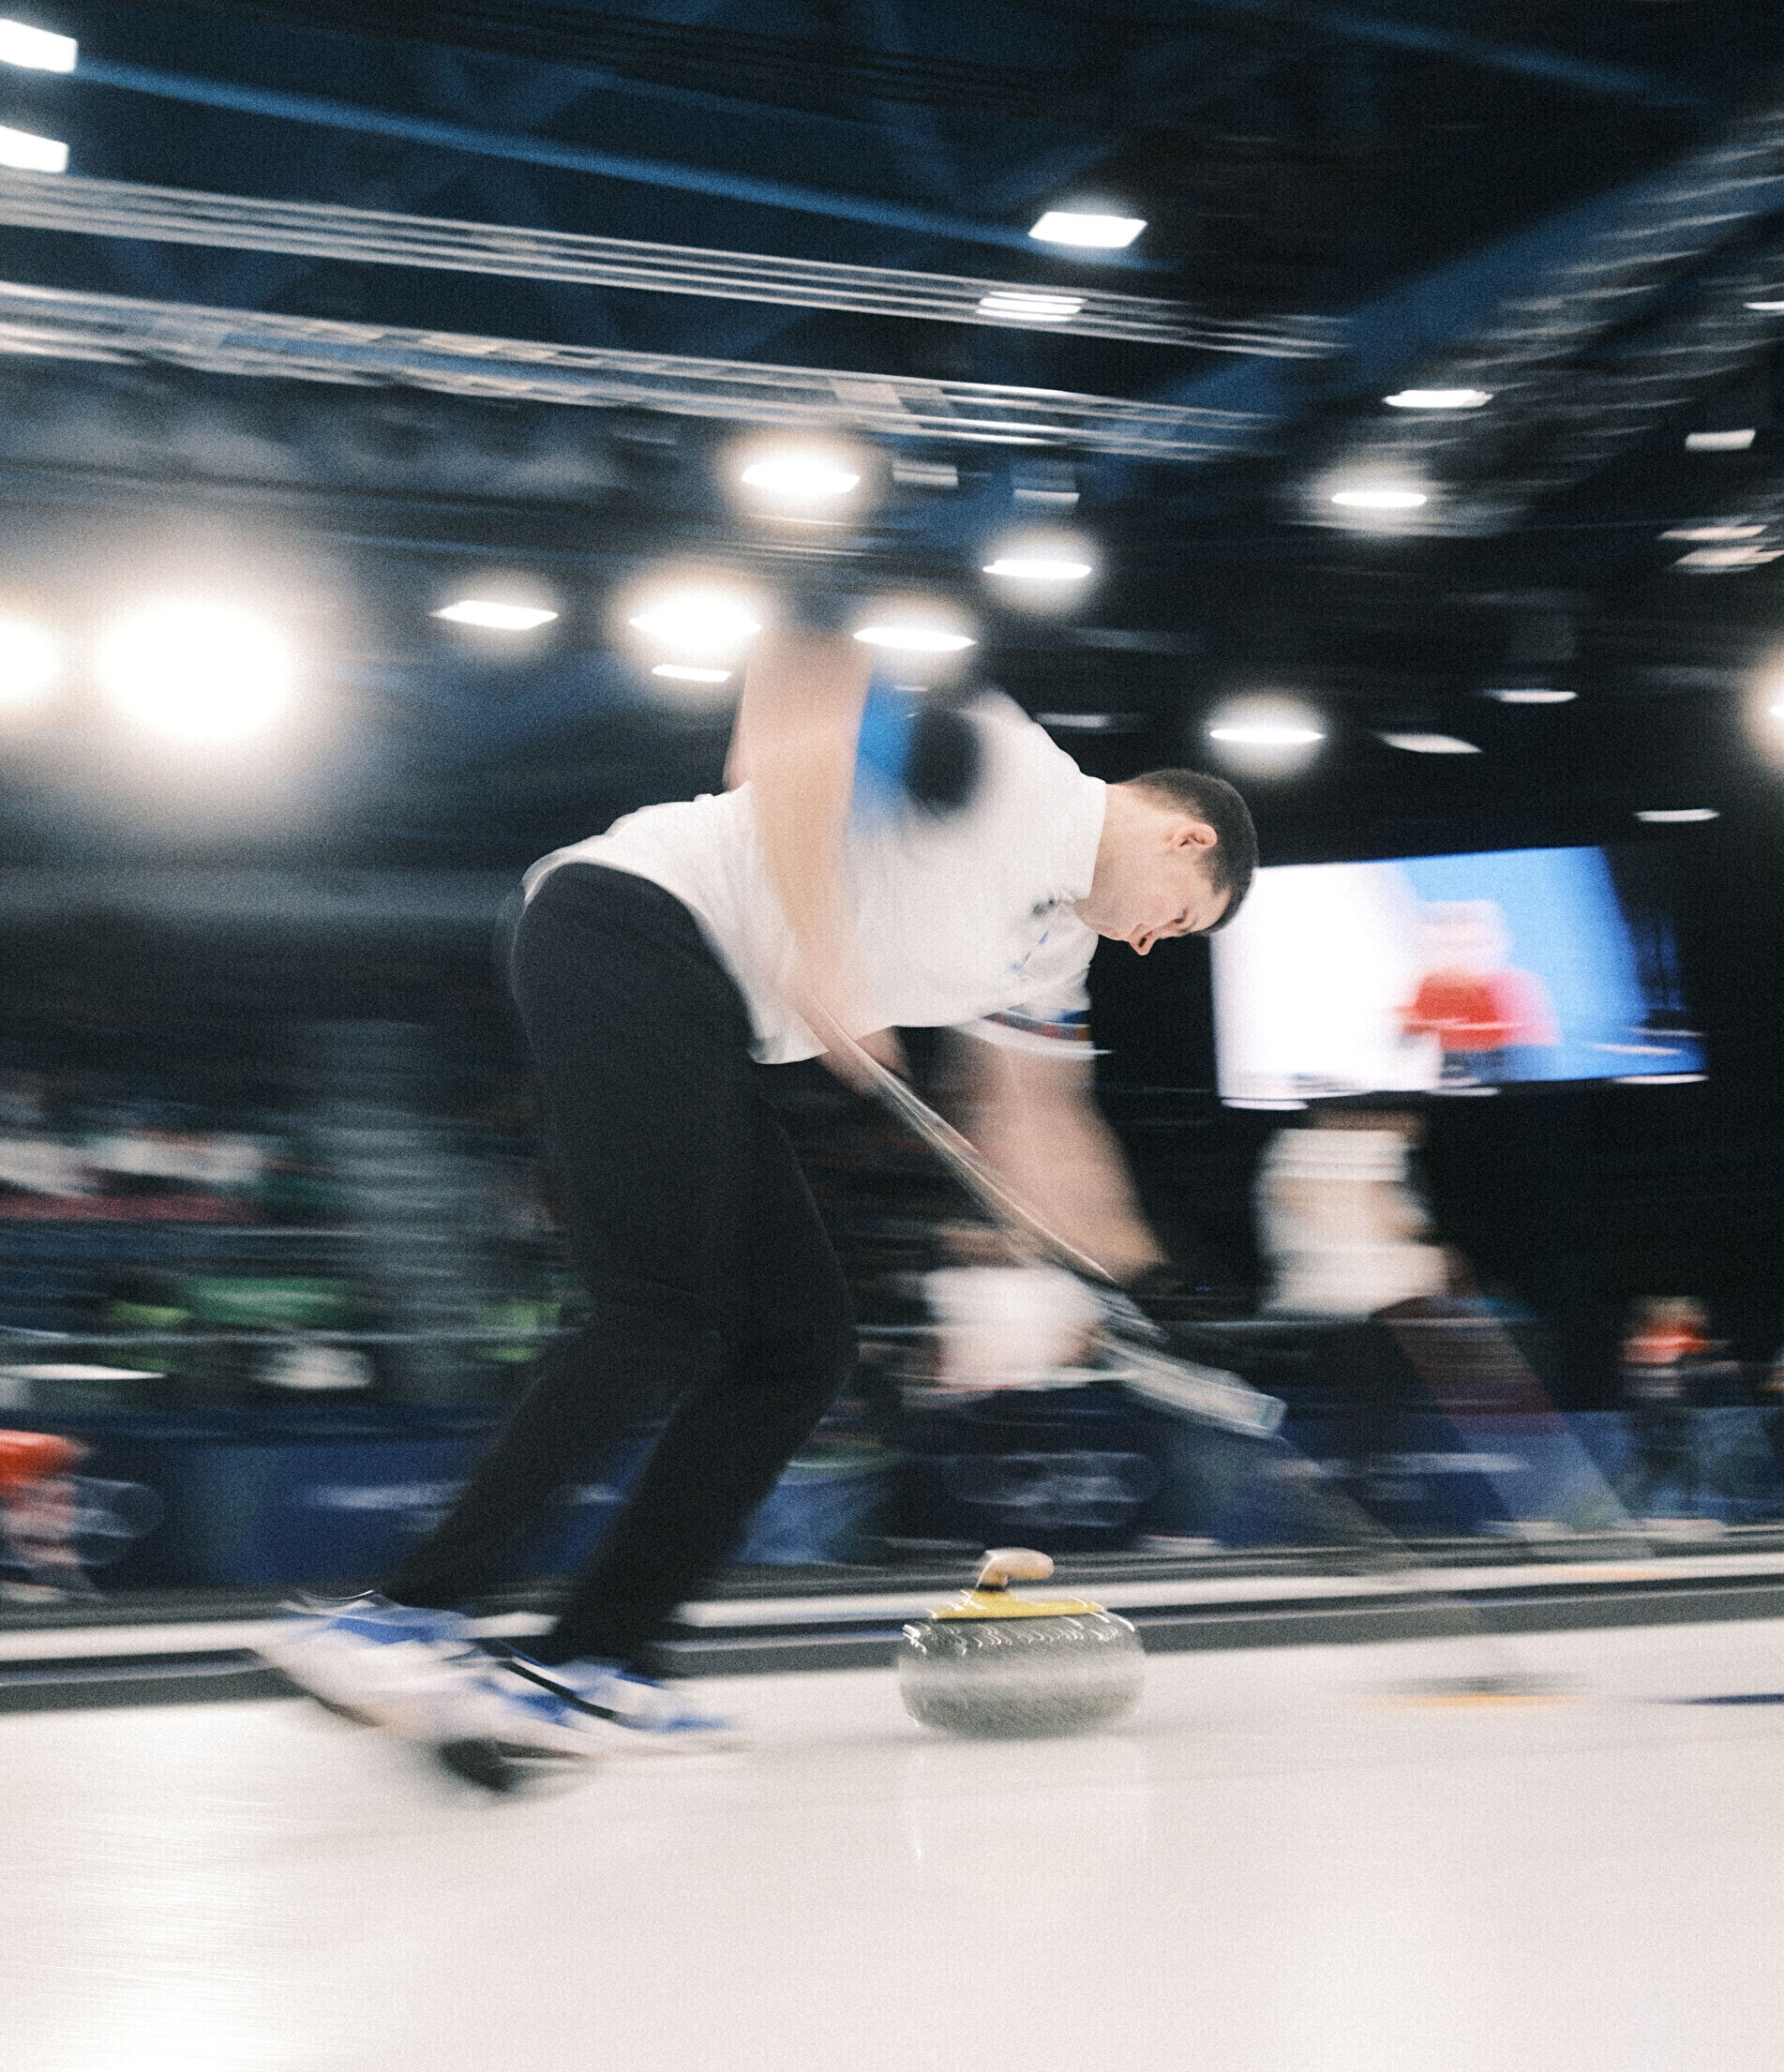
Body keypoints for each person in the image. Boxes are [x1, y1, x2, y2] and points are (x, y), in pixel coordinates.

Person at [274, 637, 1256, 1758]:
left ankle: (600, 1658)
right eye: (1177, 918)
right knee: (659, 1311)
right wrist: (820, 957)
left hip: (706, 1010)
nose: (1148, 943)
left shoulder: (1053, 953)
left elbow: (1040, 1121)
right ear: (1185, 836)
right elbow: (801, 687)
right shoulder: (1010, 769)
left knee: (800, 1349)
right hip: (627, 924)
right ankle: (402, 1616)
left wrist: (1147, 1279)